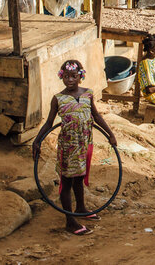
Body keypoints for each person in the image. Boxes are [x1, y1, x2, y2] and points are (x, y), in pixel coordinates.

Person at [33, 59, 117, 236]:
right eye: (66, 76)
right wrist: (37, 140)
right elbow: (49, 123)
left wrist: (110, 134)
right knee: (67, 181)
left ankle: (80, 208)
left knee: (79, 177)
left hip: (84, 143)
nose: (70, 80)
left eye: (73, 76)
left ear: (81, 76)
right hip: (68, 147)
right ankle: (70, 221)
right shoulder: (58, 99)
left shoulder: (88, 94)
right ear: (61, 77)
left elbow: (96, 115)